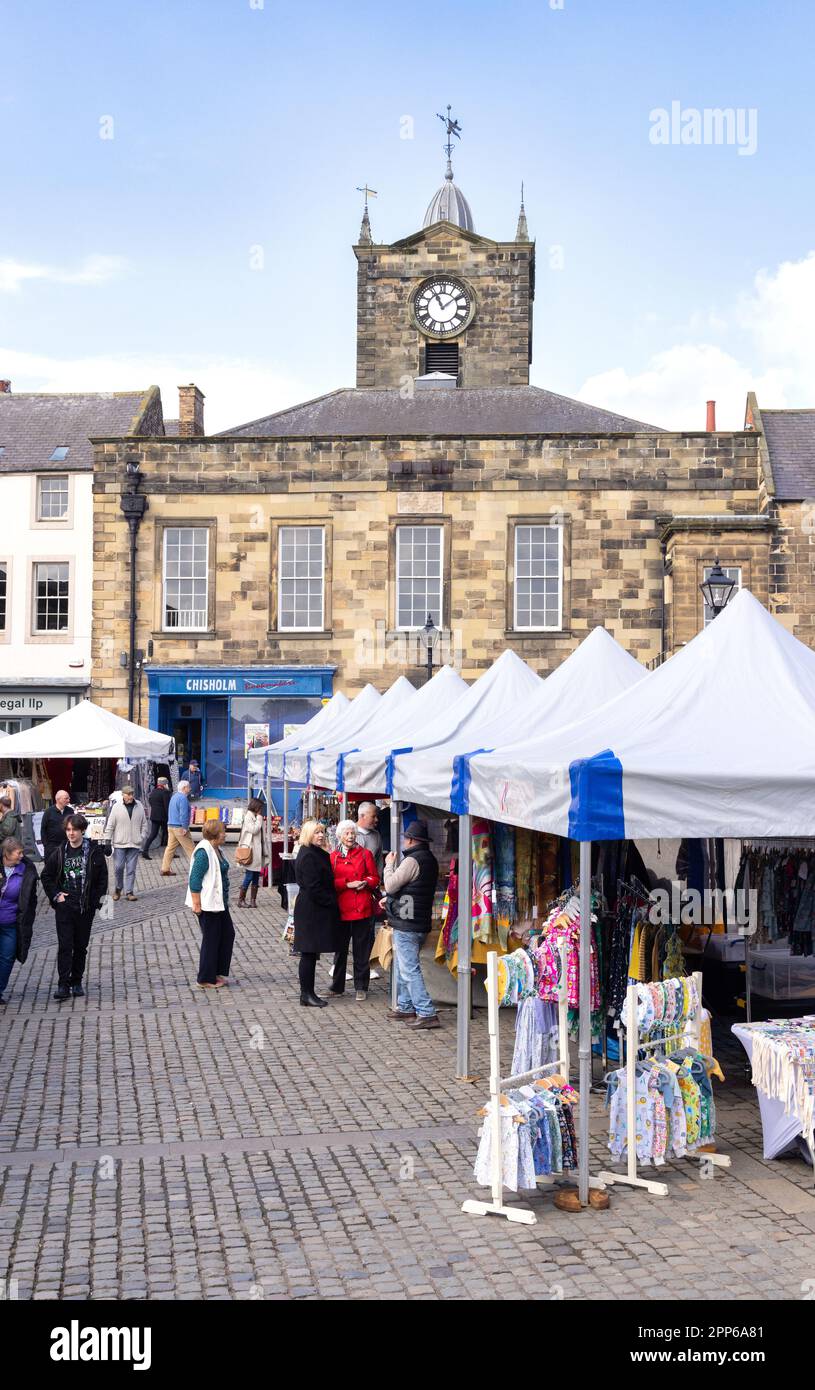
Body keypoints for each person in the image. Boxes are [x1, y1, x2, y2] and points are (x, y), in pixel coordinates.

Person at [41, 813, 109, 1001]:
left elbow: (103, 880)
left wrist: (96, 902)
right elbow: (46, 876)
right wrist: (56, 896)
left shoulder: (94, 852)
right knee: (65, 946)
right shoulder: (61, 851)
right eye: (68, 830)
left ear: (82, 831)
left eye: (74, 830)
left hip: (84, 908)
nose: (71, 833)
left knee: (80, 946)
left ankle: (76, 981)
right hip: (65, 907)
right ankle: (63, 984)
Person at [383, 819, 441, 1029]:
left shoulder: (412, 861)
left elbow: (390, 885)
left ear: (411, 840)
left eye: (405, 838)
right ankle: (406, 1006)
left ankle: (426, 1012)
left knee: (408, 969)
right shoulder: (431, 859)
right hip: (419, 919)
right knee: (402, 964)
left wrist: (388, 864)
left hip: (407, 922)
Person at [293, 819, 341, 1008]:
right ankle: (306, 994)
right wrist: (332, 902)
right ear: (308, 835)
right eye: (316, 832)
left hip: (315, 907)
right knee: (308, 952)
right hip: (311, 909)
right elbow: (314, 888)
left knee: (311, 953)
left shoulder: (316, 852)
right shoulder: (308, 856)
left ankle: (309, 992)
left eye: (322, 832)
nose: (321, 835)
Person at [329, 820, 379, 1002]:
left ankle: (361, 986)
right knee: (340, 950)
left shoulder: (365, 854)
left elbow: (375, 878)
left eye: (352, 833)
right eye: (347, 833)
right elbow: (330, 883)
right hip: (341, 909)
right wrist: (347, 884)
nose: (350, 836)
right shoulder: (333, 857)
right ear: (340, 836)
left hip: (362, 907)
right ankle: (337, 986)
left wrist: (366, 882)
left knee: (361, 950)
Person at [186, 819, 234, 990]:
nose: (225, 834)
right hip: (208, 904)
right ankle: (205, 977)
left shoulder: (216, 849)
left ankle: (216, 971)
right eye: (222, 831)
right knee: (211, 939)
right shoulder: (203, 852)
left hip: (220, 902)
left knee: (227, 934)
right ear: (215, 834)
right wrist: (196, 904)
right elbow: (195, 878)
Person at [0, 837, 38, 1005]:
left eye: (22, 852)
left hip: (11, 922)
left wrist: (27, 916)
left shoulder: (26, 870)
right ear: (6, 854)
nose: (21, 856)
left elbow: (31, 899)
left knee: (7, 957)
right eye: (18, 853)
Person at [105, 786, 148, 901]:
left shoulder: (139, 806)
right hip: (120, 843)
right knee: (118, 867)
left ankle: (129, 891)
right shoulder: (116, 807)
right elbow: (110, 825)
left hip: (134, 843)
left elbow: (144, 823)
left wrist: (141, 836)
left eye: (131, 794)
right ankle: (118, 888)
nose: (130, 796)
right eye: (128, 794)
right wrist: (107, 841)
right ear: (123, 795)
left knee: (131, 869)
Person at [236, 798, 266, 908]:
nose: (261, 810)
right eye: (260, 807)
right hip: (251, 852)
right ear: (256, 807)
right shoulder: (249, 817)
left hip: (257, 851)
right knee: (249, 876)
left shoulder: (255, 817)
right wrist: (259, 818)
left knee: (256, 876)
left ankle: (253, 900)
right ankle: (241, 900)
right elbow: (254, 830)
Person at [161, 781, 195, 875]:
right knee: (191, 849)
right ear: (184, 788)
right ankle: (198, 869)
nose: (190, 788)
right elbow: (183, 814)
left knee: (170, 848)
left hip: (171, 825)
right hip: (179, 827)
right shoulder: (183, 798)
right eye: (188, 787)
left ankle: (165, 869)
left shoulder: (174, 796)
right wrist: (184, 827)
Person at [142, 777, 171, 859]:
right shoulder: (165, 793)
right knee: (169, 835)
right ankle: (170, 853)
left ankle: (145, 851)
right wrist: (169, 817)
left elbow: (151, 802)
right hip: (163, 817)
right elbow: (167, 807)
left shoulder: (153, 792)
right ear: (165, 784)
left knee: (153, 835)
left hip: (154, 816)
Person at [40, 790, 75, 855]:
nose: (68, 800)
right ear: (58, 799)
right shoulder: (48, 812)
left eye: (69, 798)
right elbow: (43, 829)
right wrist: (46, 845)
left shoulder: (70, 811)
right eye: (66, 798)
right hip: (52, 846)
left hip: (67, 844)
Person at [354, 802, 384, 876]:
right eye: (373, 816)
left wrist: (378, 879)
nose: (376, 820)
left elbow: (379, 859)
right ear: (362, 816)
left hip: (372, 883)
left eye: (376, 816)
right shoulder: (348, 833)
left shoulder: (376, 835)